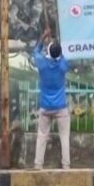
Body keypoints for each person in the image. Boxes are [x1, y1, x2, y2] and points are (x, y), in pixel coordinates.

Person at [32, 31, 71, 170]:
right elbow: (65, 56)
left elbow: (35, 51)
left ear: (47, 52)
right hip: (61, 107)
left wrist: (42, 37)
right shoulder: (62, 66)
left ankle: (38, 164)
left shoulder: (42, 64)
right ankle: (66, 165)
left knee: (42, 136)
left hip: (45, 107)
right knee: (64, 137)